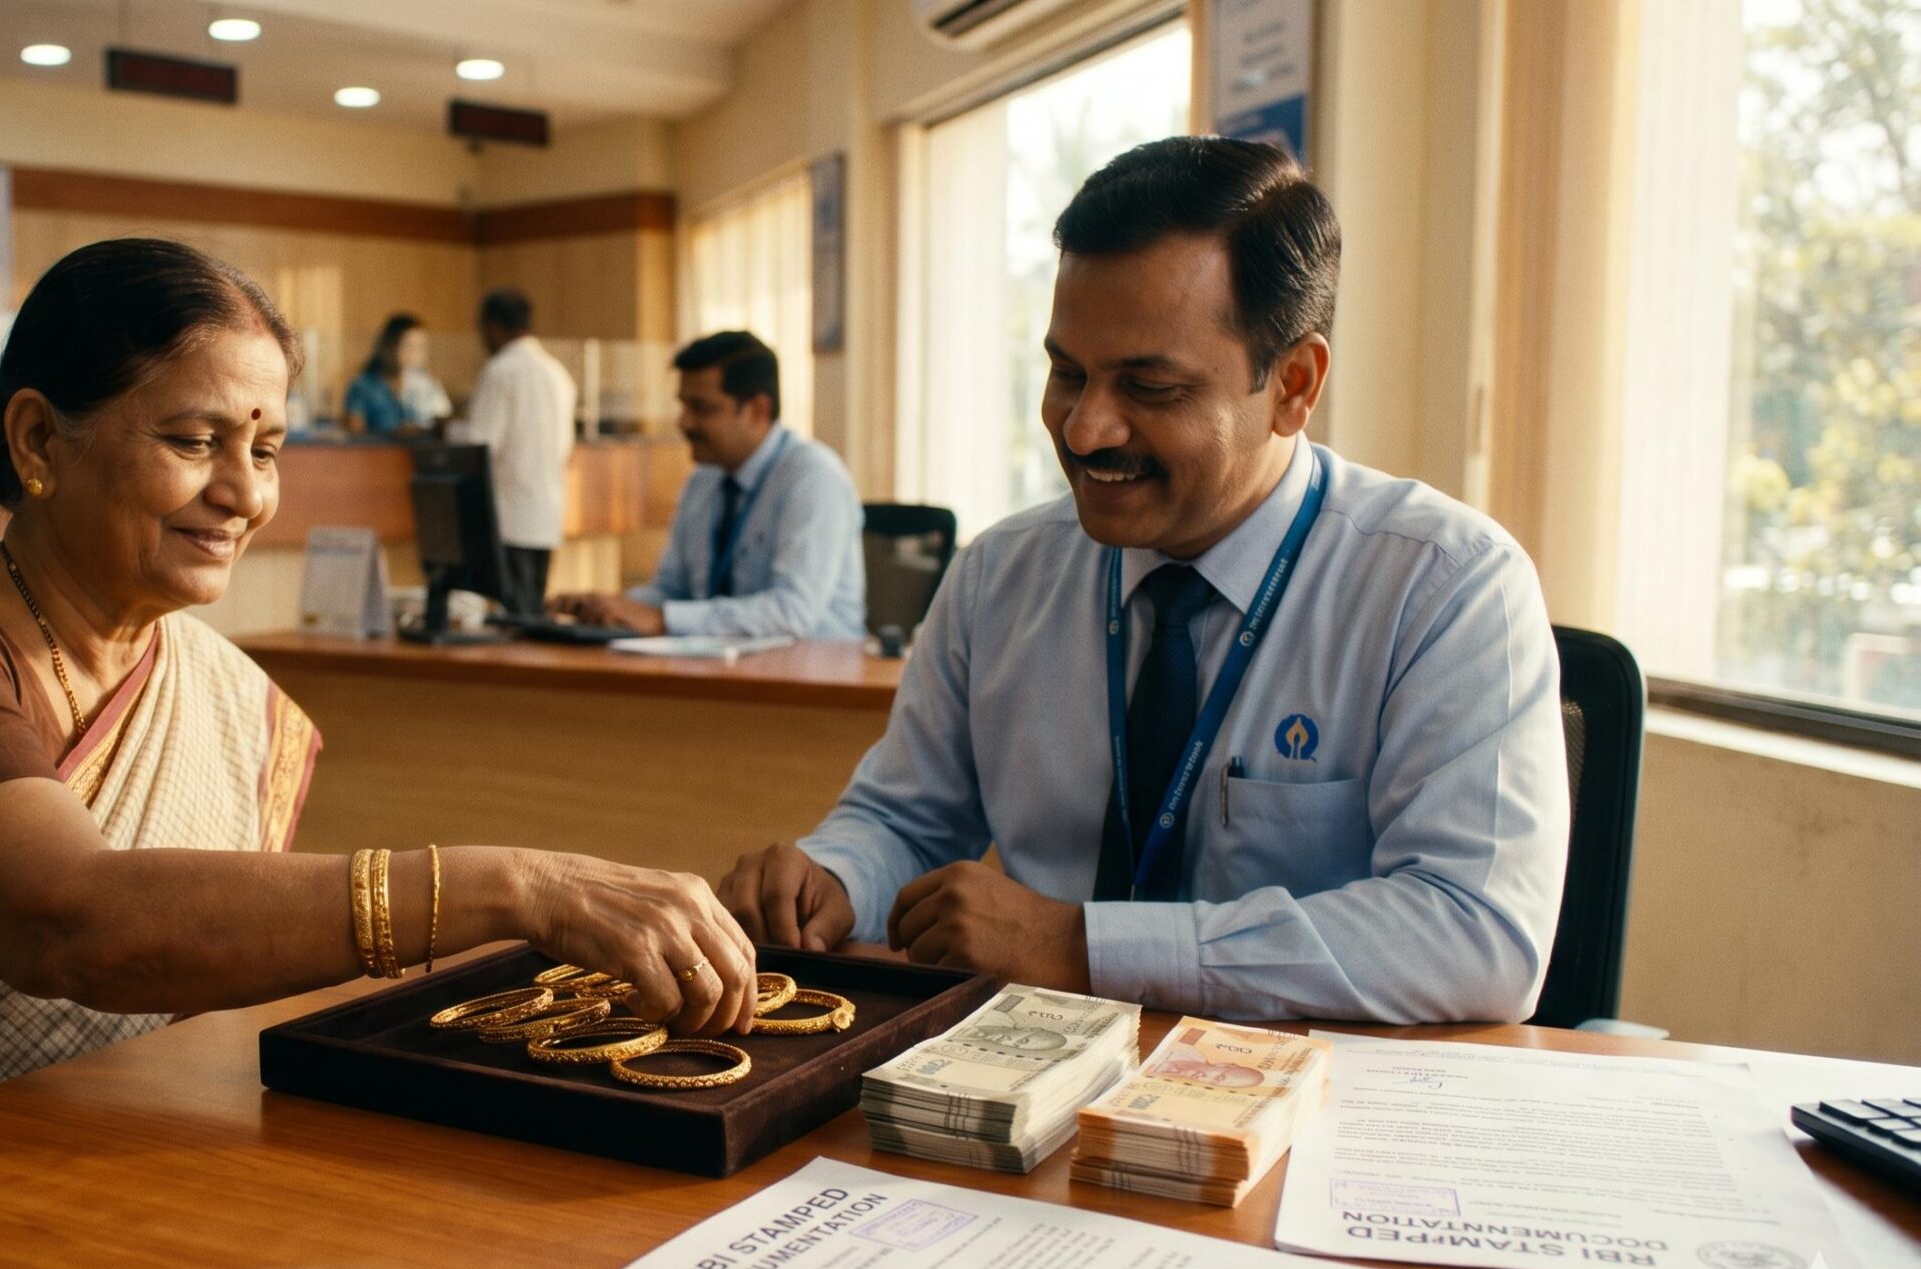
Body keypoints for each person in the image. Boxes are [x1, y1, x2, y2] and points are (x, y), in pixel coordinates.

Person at [0, 239, 756, 1188]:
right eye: (194, 442)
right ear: (40, 441)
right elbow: (72, 925)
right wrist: (513, 887)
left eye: (266, 447)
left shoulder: (214, 684)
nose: (245, 493)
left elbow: (191, 992)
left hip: (76, 1152)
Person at [718, 137, 1571, 1025]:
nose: (1084, 430)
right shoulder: (997, 577)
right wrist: (833, 875)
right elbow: (907, 820)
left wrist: (1082, 947)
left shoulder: (1444, 588)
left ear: (1293, 384)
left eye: (1150, 387)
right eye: (1065, 373)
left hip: (1313, 1110)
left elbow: (1478, 935)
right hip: (1032, 1081)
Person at [555, 331, 865, 639]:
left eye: (701, 408)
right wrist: (613, 606)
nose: (683, 422)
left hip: (816, 673)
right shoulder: (704, 479)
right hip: (721, 668)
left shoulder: (813, 477)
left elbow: (792, 613)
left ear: (758, 410)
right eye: (683, 406)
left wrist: (663, 618)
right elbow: (673, 590)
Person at [453, 288, 574, 616]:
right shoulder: (557, 373)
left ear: (493, 326)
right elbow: (565, 446)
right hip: (546, 514)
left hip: (508, 516)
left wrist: (448, 430)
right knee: (530, 611)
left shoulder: (501, 371)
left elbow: (479, 445)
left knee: (513, 620)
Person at [341, 312, 451, 434]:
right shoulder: (362, 386)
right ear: (388, 346)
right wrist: (395, 434)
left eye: (420, 347)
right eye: (408, 346)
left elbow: (444, 423)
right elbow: (355, 434)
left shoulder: (429, 385)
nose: (414, 354)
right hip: (381, 451)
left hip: (420, 450)